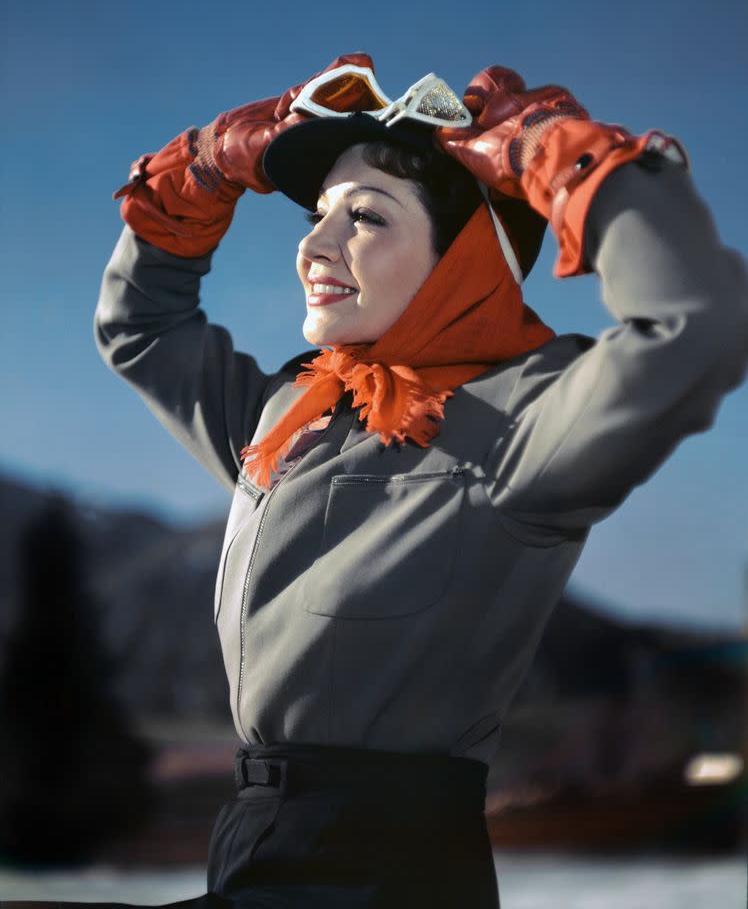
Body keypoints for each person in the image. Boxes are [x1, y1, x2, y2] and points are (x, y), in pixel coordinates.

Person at [90, 53, 746, 908]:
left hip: (390, 871)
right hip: (251, 842)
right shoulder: (293, 413)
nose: (315, 246)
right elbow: (141, 326)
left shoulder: (523, 420)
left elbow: (695, 327)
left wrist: (578, 168)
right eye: (319, 214)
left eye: (365, 216)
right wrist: (206, 168)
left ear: (461, 260)